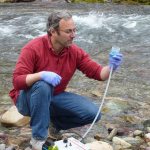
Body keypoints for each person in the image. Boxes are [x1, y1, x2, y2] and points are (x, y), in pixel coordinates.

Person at [9, 11, 123, 150]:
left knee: (93, 114)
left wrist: (112, 66)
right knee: (44, 85)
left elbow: (99, 73)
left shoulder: (74, 51)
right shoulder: (33, 48)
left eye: (74, 30)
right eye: (68, 31)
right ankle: (38, 140)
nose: (73, 35)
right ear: (53, 31)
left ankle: (53, 126)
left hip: (55, 96)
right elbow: (17, 81)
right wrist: (41, 75)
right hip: (26, 99)